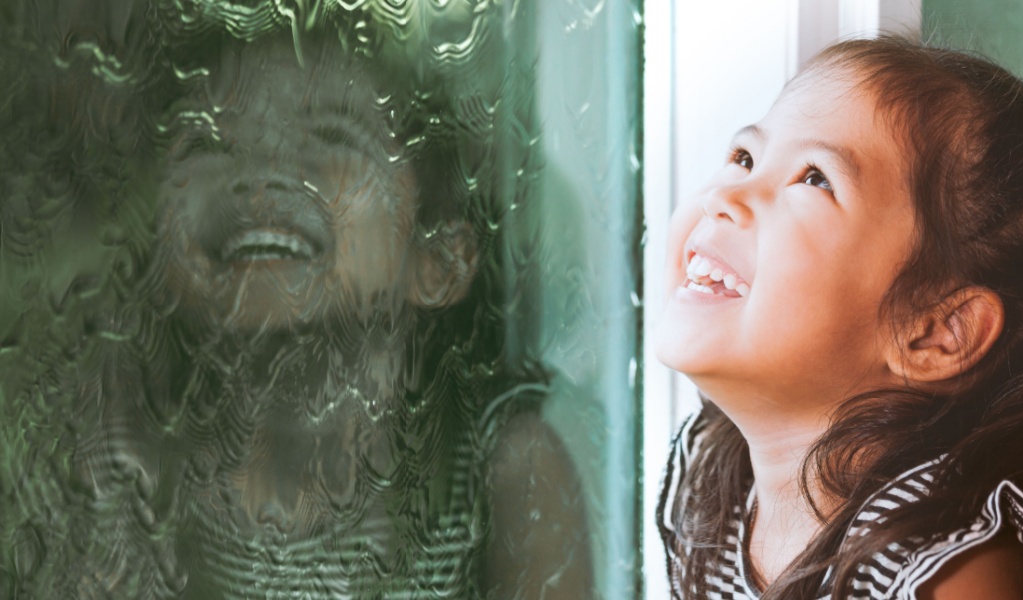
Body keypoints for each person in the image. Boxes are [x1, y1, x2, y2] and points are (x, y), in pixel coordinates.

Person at [0, 10, 592, 598]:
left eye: (331, 135)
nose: (264, 171)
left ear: (437, 259)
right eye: (213, 141)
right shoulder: (114, 462)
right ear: (158, 258)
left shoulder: (496, 474)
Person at [655, 36, 1023, 599]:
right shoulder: (715, 484)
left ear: (937, 334)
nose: (724, 197)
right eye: (744, 158)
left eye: (815, 178)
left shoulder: (950, 571)